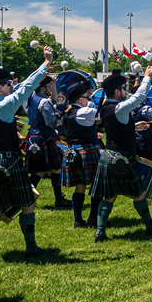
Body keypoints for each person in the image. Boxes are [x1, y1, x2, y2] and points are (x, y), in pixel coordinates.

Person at [0, 48, 57, 267]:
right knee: (27, 203)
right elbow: (26, 88)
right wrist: (45, 64)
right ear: (0, 87)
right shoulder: (4, 106)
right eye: (8, 84)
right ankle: (31, 248)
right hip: (9, 161)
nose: (12, 86)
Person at [90, 67, 152, 243]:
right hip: (122, 158)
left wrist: (134, 127)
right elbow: (139, 97)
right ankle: (150, 226)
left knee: (109, 196)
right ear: (116, 91)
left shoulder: (105, 108)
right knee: (139, 194)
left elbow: (116, 128)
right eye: (123, 89)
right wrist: (147, 78)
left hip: (108, 156)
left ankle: (99, 232)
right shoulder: (120, 107)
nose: (125, 92)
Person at [60, 81, 101, 228]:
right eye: (87, 97)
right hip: (85, 150)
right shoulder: (83, 111)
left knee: (80, 186)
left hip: (72, 150)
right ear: (80, 100)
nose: (89, 100)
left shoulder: (67, 112)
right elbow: (100, 114)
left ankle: (78, 220)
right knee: (97, 186)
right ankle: (93, 218)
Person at [25, 76, 69, 208]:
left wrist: (54, 85)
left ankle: (56, 199)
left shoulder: (32, 99)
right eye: (49, 87)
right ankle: (28, 198)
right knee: (43, 171)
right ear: (43, 88)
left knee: (49, 170)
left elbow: (53, 102)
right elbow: (51, 122)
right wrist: (60, 119)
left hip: (34, 137)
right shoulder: (44, 102)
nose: (51, 89)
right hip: (45, 138)